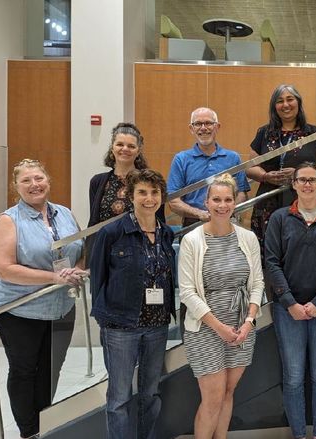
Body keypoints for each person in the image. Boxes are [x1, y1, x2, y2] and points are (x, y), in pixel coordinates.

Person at [0, 159, 87, 439]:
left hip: (60, 307)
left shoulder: (65, 213)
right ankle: (29, 431)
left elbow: (80, 248)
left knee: (50, 370)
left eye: (39, 178)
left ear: (48, 181)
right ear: (16, 187)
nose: (34, 185)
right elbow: (4, 268)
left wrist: (77, 268)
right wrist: (54, 278)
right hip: (19, 311)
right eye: (26, 181)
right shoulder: (9, 220)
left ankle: (45, 424)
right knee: (24, 371)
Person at [89, 169, 176, 439]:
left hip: (157, 325)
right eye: (142, 192)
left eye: (154, 192)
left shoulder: (166, 234)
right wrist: (105, 317)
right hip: (120, 326)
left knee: (150, 394)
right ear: (130, 195)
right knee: (119, 398)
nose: (149, 199)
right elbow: (98, 277)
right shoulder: (113, 232)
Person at [178, 173, 264, 438]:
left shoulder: (248, 238)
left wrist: (249, 322)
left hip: (241, 329)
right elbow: (187, 292)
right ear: (206, 202)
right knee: (212, 397)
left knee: (228, 392)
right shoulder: (191, 240)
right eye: (216, 199)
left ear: (234, 203)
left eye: (228, 199)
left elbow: (258, 283)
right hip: (206, 329)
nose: (222, 205)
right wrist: (218, 327)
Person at [264, 163, 316, 439]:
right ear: (294, 184)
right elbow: (272, 263)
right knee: (294, 377)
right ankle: (299, 435)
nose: (308, 184)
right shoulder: (279, 218)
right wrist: (290, 303)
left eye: (313, 180)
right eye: (302, 180)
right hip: (288, 310)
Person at [245, 85, 316, 254]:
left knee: (303, 252)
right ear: (274, 107)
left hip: (305, 201)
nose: (285, 104)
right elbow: (249, 167)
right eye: (280, 101)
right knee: (270, 254)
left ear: (298, 103)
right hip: (268, 203)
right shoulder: (264, 132)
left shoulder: (313, 133)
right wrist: (264, 175)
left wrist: (300, 175)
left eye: (290, 99)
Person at [87, 123, 164, 262]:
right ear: (112, 147)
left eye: (131, 146)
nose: (125, 149)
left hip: (141, 254)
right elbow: (94, 222)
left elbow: (159, 221)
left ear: (138, 151)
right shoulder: (97, 182)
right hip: (106, 252)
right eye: (120, 144)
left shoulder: (152, 181)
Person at [168, 107, 251, 226]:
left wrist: (224, 212)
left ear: (217, 127)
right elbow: (173, 201)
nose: (203, 128)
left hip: (227, 222)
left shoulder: (233, 158)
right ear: (191, 129)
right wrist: (199, 214)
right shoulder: (181, 159)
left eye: (208, 123)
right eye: (198, 124)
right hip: (193, 225)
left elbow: (242, 194)